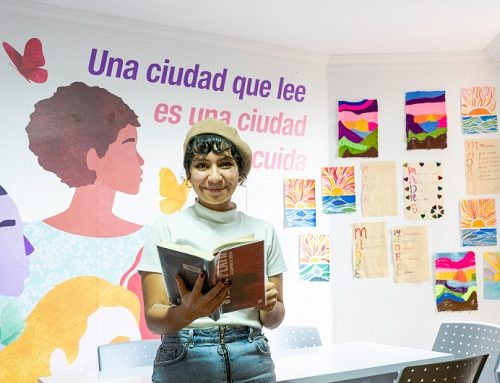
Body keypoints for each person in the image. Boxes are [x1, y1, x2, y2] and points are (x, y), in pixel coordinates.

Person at [139, 118, 287, 383]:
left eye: (226, 164)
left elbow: (274, 319)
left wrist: (268, 305)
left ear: (240, 173)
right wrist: (187, 312)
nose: (215, 176)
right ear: (189, 174)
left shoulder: (264, 231)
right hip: (184, 355)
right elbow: (153, 319)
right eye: (202, 165)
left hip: (253, 357)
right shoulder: (165, 230)